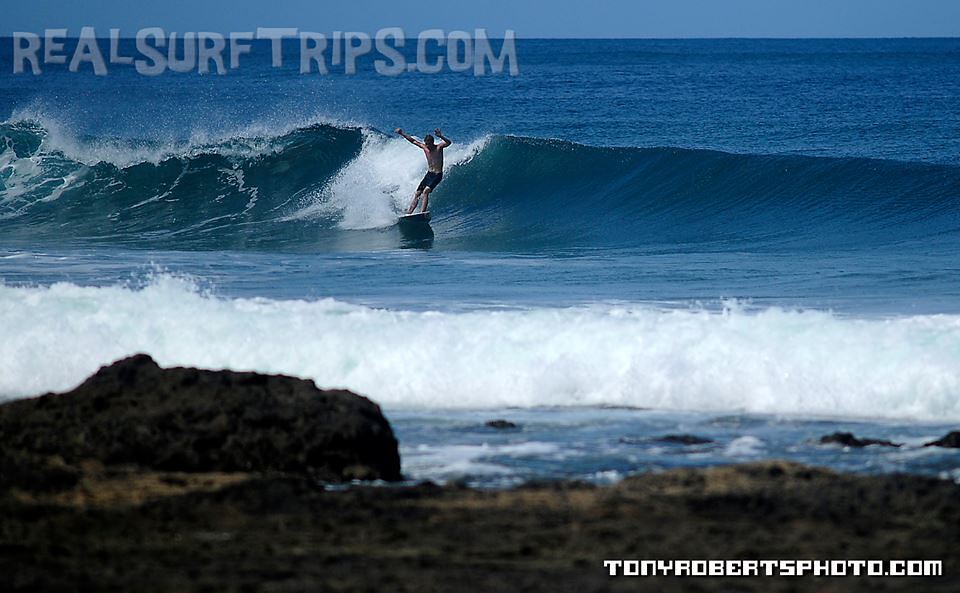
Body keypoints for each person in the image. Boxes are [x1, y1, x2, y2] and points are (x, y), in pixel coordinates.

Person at [395, 127, 452, 214]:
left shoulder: (438, 147)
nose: (427, 146)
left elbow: (449, 143)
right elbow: (413, 141)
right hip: (429, 175)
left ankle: (422, 213)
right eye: (426, 144)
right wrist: (402, 133)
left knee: (425, 192)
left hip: (437, 175)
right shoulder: (425, 147)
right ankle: (409, 212)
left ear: (432, 143)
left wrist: (441, 136)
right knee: (417, 193)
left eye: (429, 144)